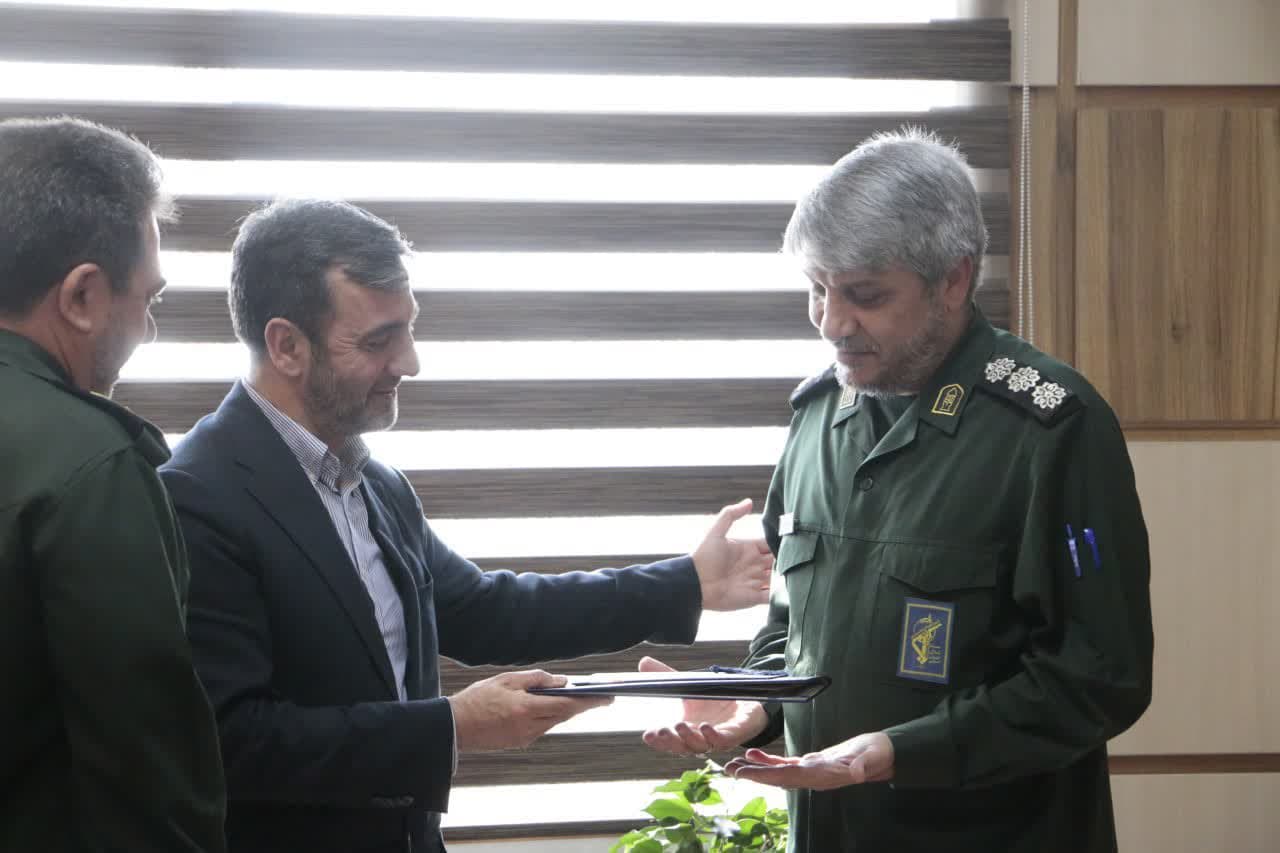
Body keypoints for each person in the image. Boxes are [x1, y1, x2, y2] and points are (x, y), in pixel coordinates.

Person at [159, 198, 774, 853]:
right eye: (378, 341)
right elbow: (230, 741)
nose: (410, 362)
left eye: (408, 329)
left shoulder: (374, 484)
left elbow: (484, 611)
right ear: (287, 345)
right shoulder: (196, 497)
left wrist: (685, 584)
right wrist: (451, 727)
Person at [640, 130, 1154, 852]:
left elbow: (1099, 677)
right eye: (817, 289)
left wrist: (900, 750)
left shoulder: (1052, 428)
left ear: (953, 280)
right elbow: (794, 625)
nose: (832, 323)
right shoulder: (818, 416)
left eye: (865, 295)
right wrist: (757, 705)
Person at [0, 117, 226, 851]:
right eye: (148, 299)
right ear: (83, 295)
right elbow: (146, 774)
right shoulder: (90, 463)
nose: (147, 328)